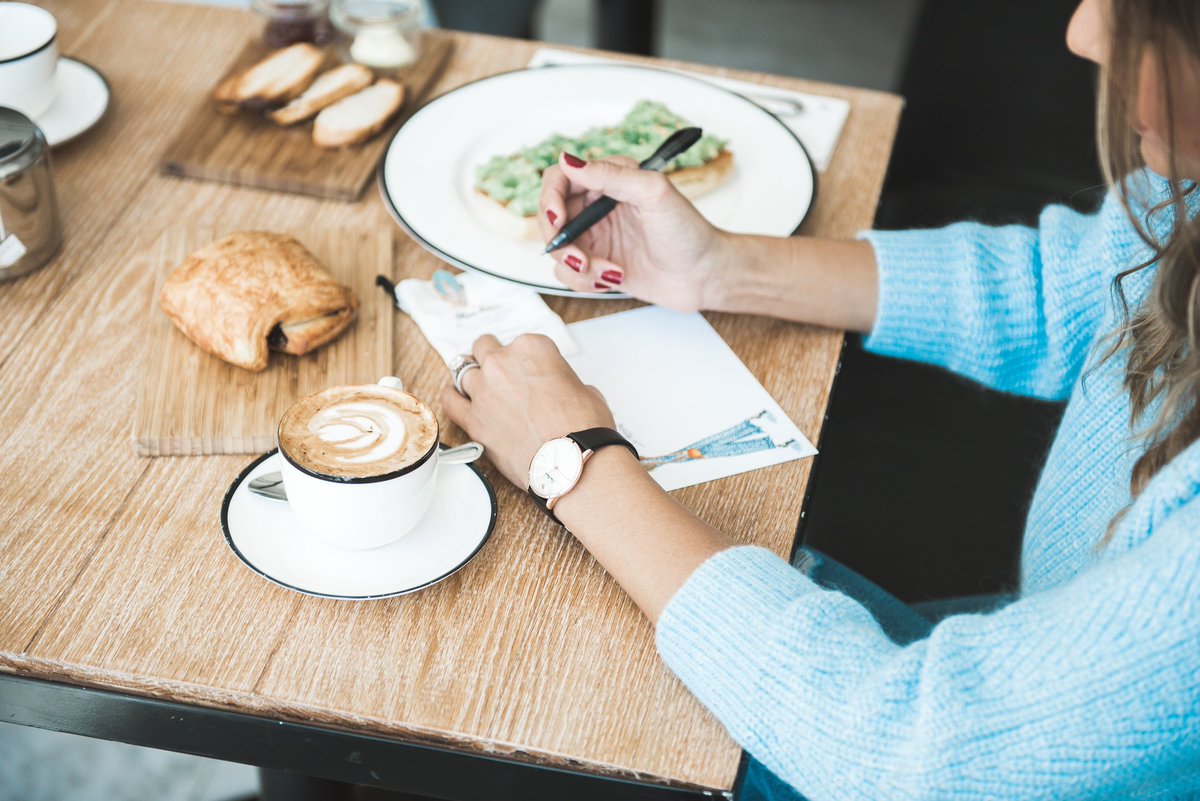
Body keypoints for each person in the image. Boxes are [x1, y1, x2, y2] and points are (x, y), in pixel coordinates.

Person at [440, 0, 1200, 798]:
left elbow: (903, 752)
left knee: (566, 696)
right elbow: (1073, 287)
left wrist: (577, 461)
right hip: (1034, 660)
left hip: (937, 745)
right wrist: (720, 267)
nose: (1083, 33)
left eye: (1142, 13)